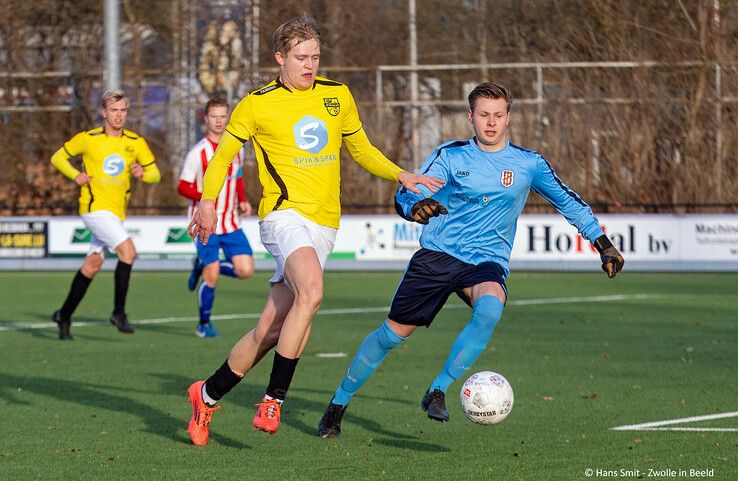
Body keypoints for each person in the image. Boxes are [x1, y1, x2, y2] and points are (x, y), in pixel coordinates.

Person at [184, 15, 444, 445]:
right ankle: (273, 399)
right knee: (314, 292)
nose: (310, 65)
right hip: (283, 215)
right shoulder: (256, 103)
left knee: (270, 330)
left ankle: (206, 395)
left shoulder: (336, 95)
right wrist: (208, 201)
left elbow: (359, 148)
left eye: (316, 57)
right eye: (301, 57)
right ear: (280, 58)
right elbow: (223, 157)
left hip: (324, 223)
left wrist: (401, 174)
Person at [317, 82, 625, 438]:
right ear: (470, 117)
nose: (490, 123)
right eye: (483, 115)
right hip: (438, 256)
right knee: (391, 336)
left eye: (498, 115)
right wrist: (415, 208)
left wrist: (602, 244)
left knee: (491, 306)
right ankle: (338, 404)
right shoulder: (451, 156)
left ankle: (438, 389)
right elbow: (407, 192)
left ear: (508, 117)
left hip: (485, 262)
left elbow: (568, 202)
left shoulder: (528, 164)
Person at [50, 90, 161, 340]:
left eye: (123, 110)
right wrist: (75, 175)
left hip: (116, 213)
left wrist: (143, 174)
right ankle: (118, 313)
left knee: (93, 265)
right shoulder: (89, 139)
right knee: (128, 252)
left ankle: (64, 315)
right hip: (94, 209)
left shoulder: (135, 142)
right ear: (104, 113)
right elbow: (57, 158)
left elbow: (156, 174)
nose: (119, 115)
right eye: (114, 110)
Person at [177, 98, 255, 338]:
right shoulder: (198, 153)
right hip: (205, 223)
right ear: (206, 119)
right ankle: (203, 324)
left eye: (223, 116)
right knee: (212, 276)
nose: (219, 121)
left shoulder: (237, 148)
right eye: (215, 116)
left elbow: (238, 176)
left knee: (246, 270)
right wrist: (207, 197)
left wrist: (242, 199)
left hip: (231, 222)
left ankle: (201, 266)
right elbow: (182, 186)